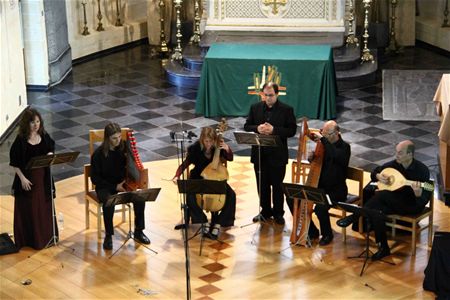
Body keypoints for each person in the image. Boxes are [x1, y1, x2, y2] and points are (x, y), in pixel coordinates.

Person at [337, 140, 431, 260]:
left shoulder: (422, 170)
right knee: (376, 210)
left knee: (383, 194)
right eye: (396, 152)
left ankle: (355, 215)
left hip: (411, 205)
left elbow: (425, 196)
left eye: (400, 153)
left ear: (410, 155)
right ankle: (383, 248)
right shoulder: (393, 165)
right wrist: (378, 176)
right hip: (392, 202)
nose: (396, 155)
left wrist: (418, 194)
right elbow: (374, 172)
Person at [288, 120, 350, 246]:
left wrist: (324, 140)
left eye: (327, 134)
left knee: (321, 207)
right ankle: (312, 230)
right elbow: (320, 166)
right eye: (323, 133)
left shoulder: (344, 147)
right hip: (319, 188)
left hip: (335, 191)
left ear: (337, 133)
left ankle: (327, 234)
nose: (325, 136)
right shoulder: (323, 146)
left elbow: (336, 156)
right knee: (292, 198)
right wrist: (312, 158)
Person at [244, 82, 297, 225]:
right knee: (262, 185)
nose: (268, 98)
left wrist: (274, 130)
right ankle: (265, 211)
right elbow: (247, 125)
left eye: (271, 95)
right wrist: (257, 128)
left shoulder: (287, 110)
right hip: (260, 154)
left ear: (277, 94)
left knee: (277, 185)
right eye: (265, 95)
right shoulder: (255, 108)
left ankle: (279, 213)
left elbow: (292, 130)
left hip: (277, 155)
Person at [90, 122, 150, 250]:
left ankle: (139, 231)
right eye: (114, 138)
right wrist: (114, 187)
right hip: (105, 185)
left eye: (119, 137)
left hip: (123, 182)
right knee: (108, 202)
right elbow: (95, 178)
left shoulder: (123, 148)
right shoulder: (98, 155)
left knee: (140, 198)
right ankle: (108, 235)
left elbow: (132, 165)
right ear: (107, 138)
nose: (118, 141)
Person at [172, 127, 236, 240]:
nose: (209, 144)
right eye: (206, 141)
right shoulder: (195, 148)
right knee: (190, 195)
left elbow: (230, 158)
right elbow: (185, 164)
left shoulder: (218, 146)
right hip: (198, 177)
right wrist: (177, 175)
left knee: (231, 195)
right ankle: (203, 221)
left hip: (215, 180)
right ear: (202, 140)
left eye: (211, 141)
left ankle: (218, 223)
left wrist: (227, 149)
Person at [10, 108, 56, 250]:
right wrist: (22, 179)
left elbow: (51, 147)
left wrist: (49, 153)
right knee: (30, 210)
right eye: (32, 122)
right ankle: (31, 240)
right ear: (26, 124)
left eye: (37, 121)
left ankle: (46, 238)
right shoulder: (20, 141)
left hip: (43, 179)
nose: (36, 125)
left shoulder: (43, 135)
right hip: (27, 180)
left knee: (43, 207)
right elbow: (14, 163)